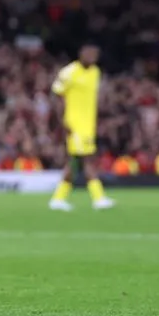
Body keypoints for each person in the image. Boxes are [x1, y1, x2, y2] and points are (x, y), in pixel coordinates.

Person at [48, 43, 115, 211]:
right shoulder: (69, 72)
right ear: (81, 54)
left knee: (75, 162)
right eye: (89, 53)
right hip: (74, 124)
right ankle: (98, 198)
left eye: (95, 54)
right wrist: (63, 120)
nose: (92, 57)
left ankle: (58, 198)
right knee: (85, 160)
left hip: (88, 125)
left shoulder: (95, 72)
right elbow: (56, 95)